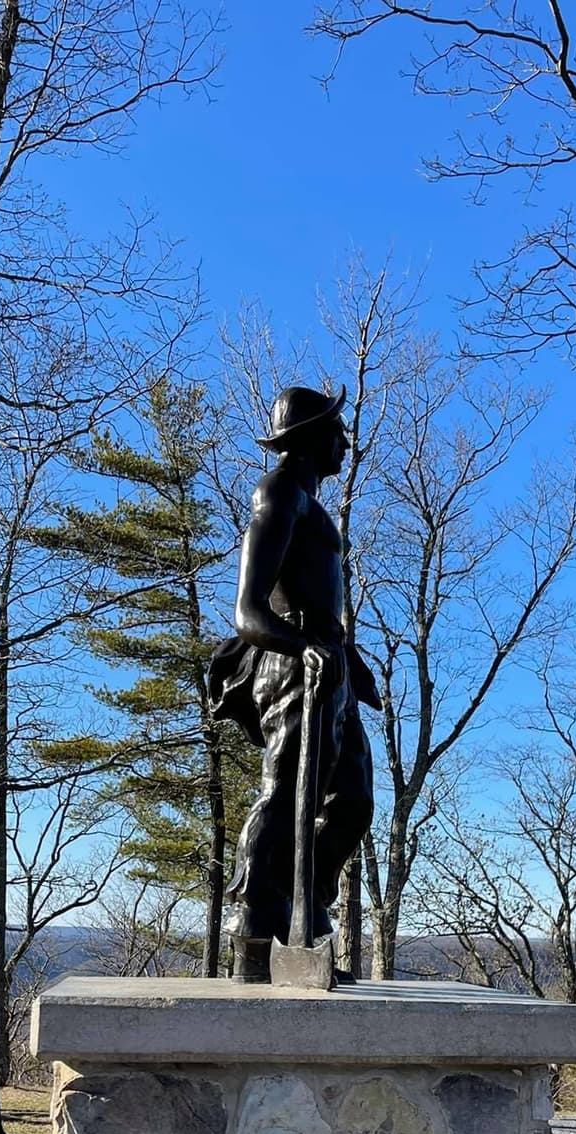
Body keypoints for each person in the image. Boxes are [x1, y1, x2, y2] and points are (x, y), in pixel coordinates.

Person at [209, 385, 380, 983]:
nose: (345, 441)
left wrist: (342, 655)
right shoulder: (278, 493)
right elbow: (248, 613)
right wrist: (304, 645)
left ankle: (303, 911)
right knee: (284, 793)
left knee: (353, 799)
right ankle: (254, 925)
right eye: (336, 430)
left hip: (328, 660)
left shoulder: (310, 502)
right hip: (291, 661)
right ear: (310, 437)